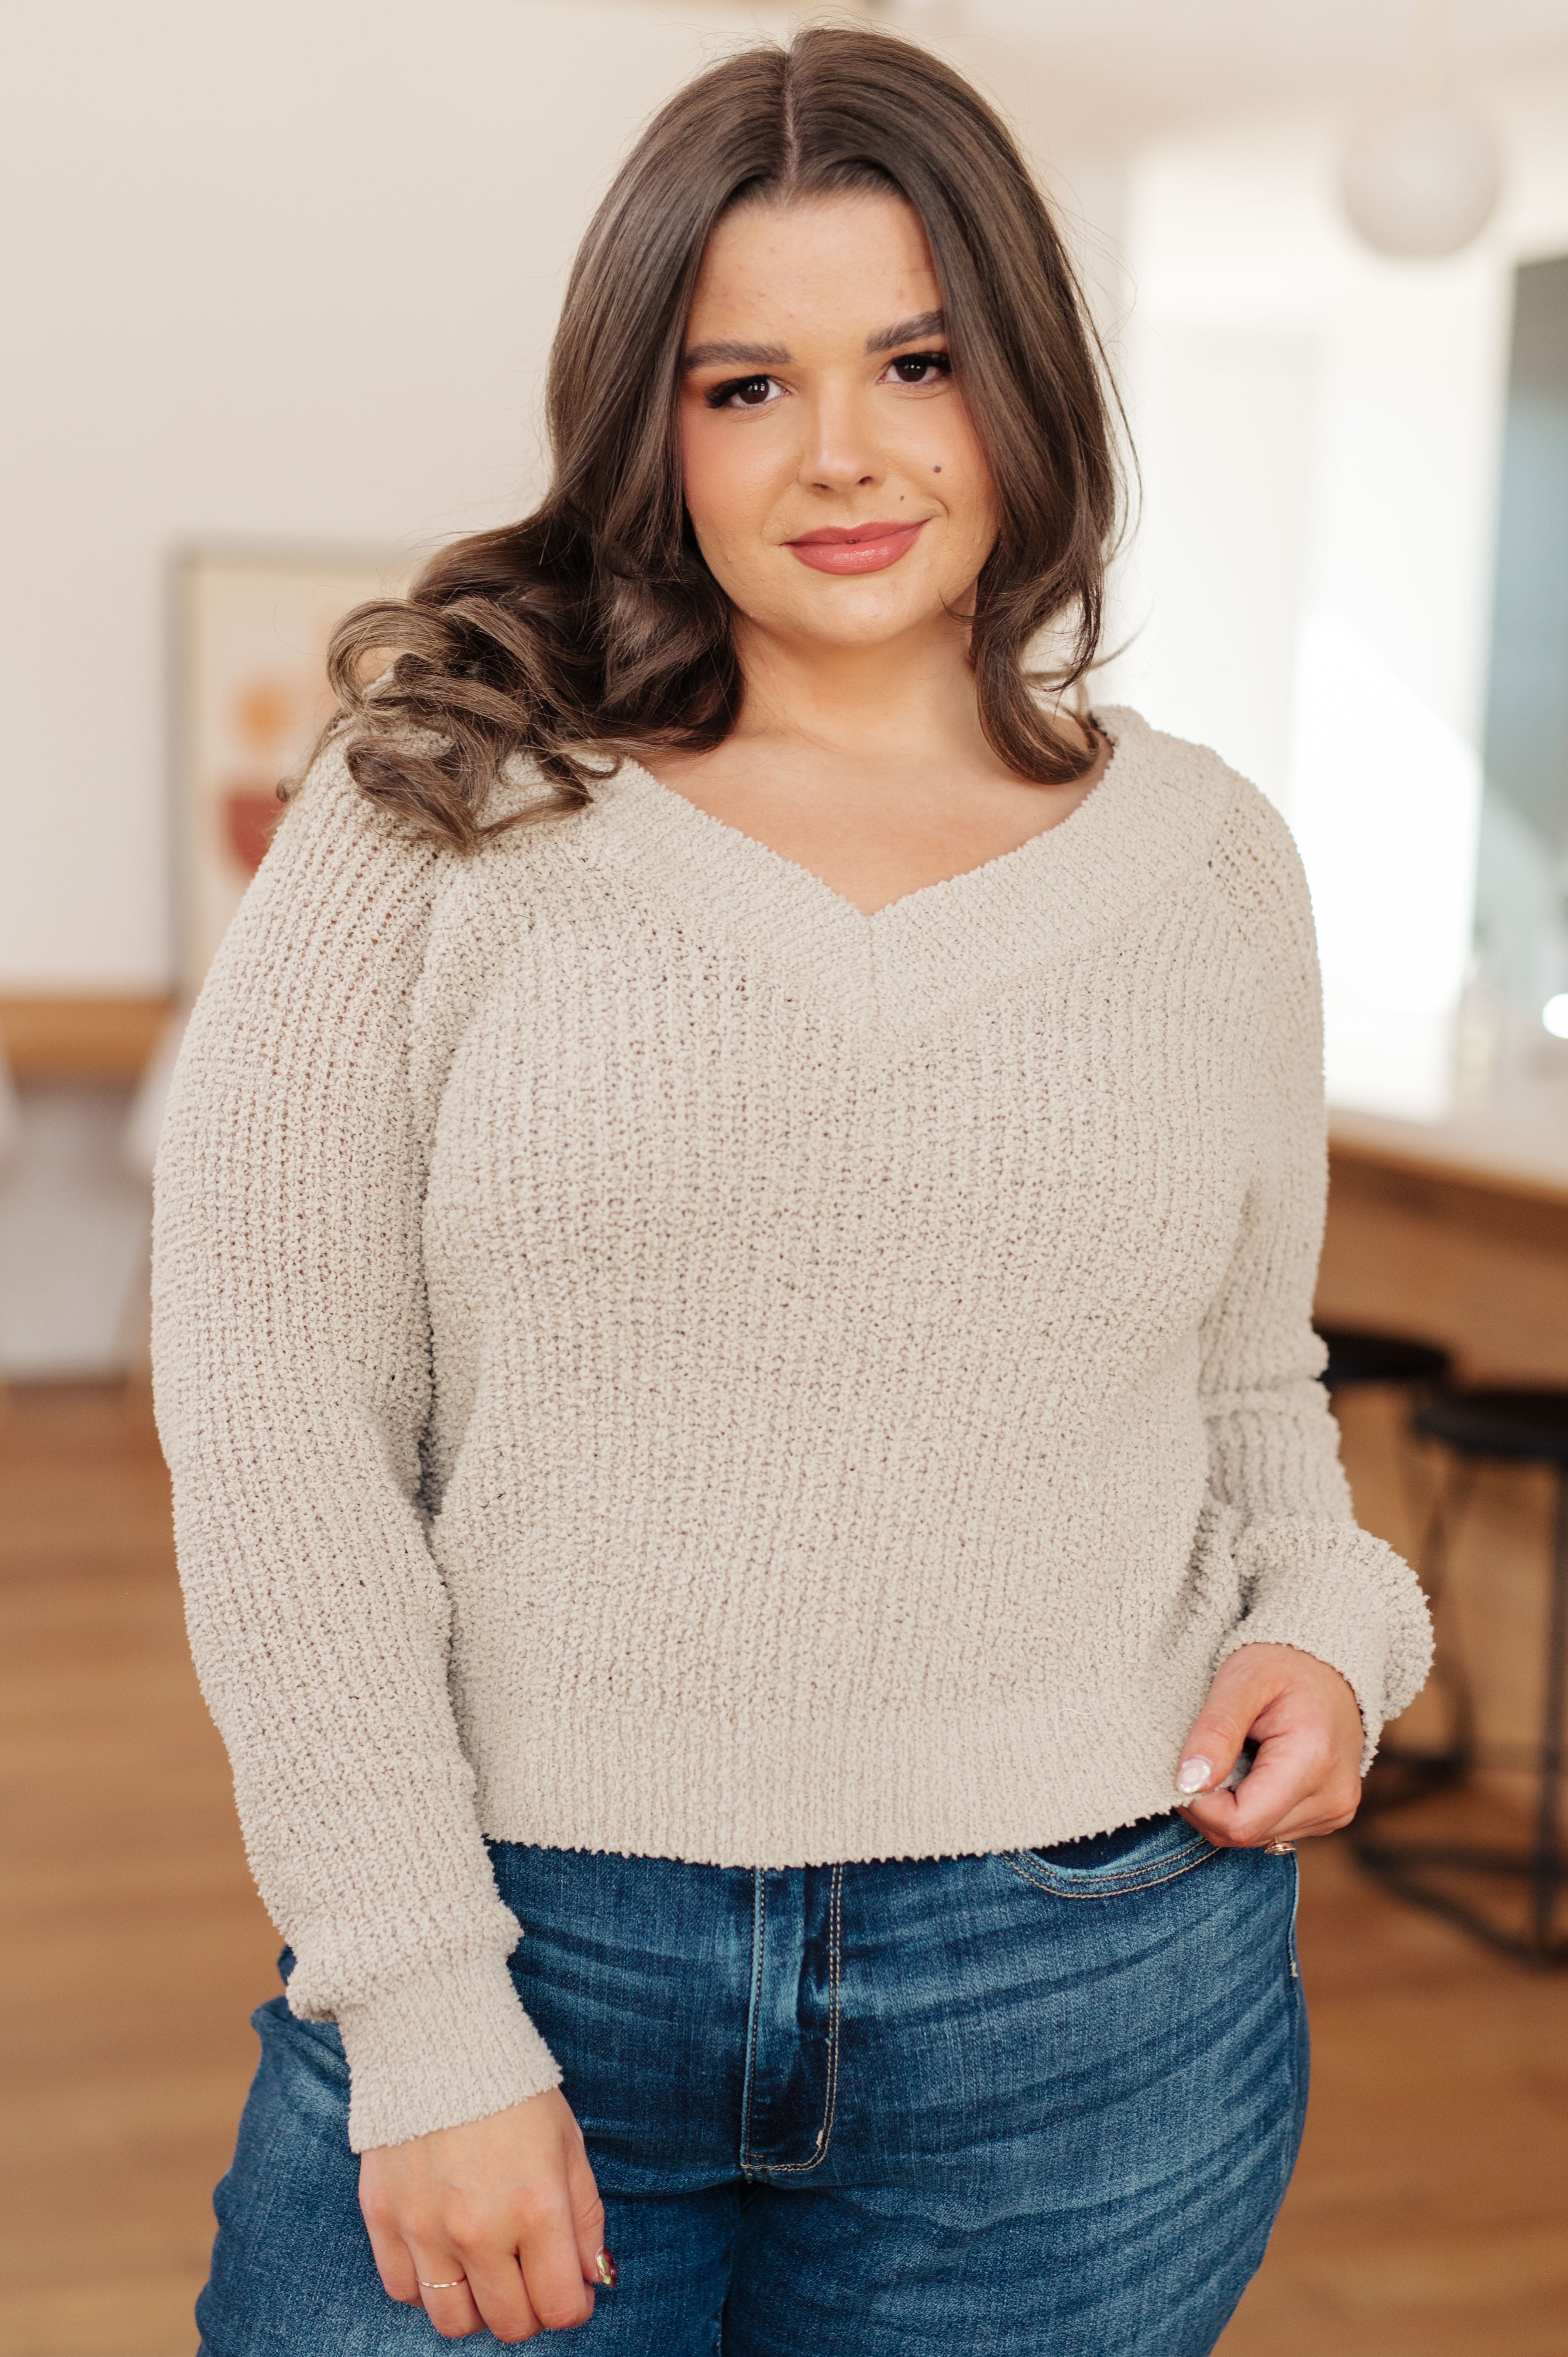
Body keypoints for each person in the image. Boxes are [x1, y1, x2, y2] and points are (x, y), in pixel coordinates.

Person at [152, 25, 1432, 2355]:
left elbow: (1257, 1398)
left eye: (915, 361)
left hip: (1093, 2002)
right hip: (528, 1947)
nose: (839, 452)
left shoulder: (1216, 870)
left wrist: (1335, 1630)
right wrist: (425, 2008)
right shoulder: (437, 810)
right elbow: (273, 1421)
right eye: (745, 385)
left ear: (1024, 382)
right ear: (650, 423)